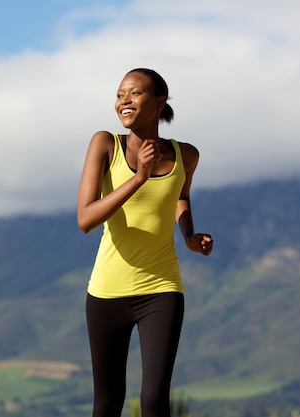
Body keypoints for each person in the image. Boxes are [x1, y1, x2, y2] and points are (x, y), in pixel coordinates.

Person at [77, 68, 213, 417]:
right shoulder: (105, 144)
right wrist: (138, 178)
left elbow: (179, 196)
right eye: (120, 94)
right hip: (107, 291)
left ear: (158, 101)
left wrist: (189, 236)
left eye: (134, 93)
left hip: (161, 287)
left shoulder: (186, 155)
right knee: (107, 403)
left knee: (154, 400)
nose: (124, 100)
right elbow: (86, 219)